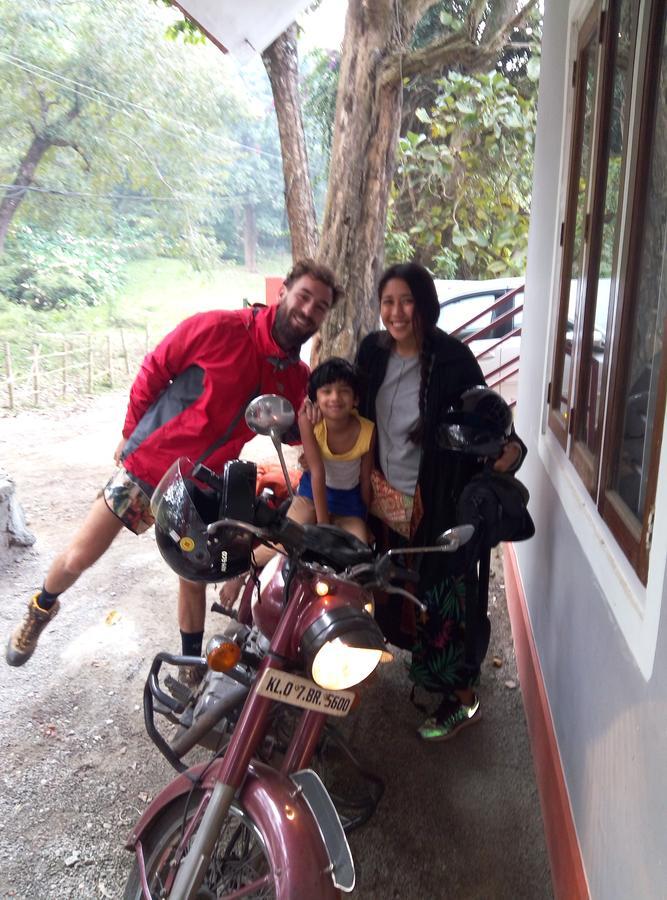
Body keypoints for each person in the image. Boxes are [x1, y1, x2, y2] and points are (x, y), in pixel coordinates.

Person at [6, 259, 342, 674]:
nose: (308, 310)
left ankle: (190, 664)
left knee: (194, 577)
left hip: (202, 484)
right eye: (304, 296)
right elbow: (155, 368)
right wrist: (130, 434)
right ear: (284, 290)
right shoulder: (221, 328)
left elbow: (288, 429)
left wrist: (317, 433)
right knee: (80, 556)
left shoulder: (294, 377)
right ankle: (41, 609)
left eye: (320, 306)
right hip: (151, 466)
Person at [356, 262, 525, 742]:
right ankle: (426, 674)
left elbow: (489, 417)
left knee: (447, 598)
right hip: (386, 497)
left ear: (424, 304)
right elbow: (353, 410)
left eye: (406, 300)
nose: (396, 311)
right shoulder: (372, 353)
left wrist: (507, 450)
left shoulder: (452, 358)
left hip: (439, 499)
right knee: (402, 592)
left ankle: (462, 698)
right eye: (387, 301)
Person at [292, 357, 374, 542]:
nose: (335, 398)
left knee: (357, 551)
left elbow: (365, 480)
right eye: (326, 391)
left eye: (344, 391)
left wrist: (365, 520)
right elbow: (317, 472)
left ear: (356, 399)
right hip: (310, 495)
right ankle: (236, 561)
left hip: (349, 503)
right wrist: (324, 527)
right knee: (284, 542)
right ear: (315, 399)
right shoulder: (309, 422)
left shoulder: (368, 430)